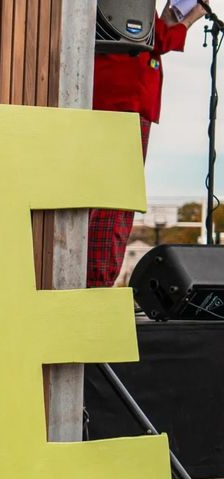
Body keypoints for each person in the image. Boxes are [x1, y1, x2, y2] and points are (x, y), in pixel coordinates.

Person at [89, 1, 209, 287]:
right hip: (123, 102)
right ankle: (97, 282)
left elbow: (144, 32)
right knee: (114, 202)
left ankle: (96, 280)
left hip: (118, 100)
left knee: (110, 200)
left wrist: (169, 18)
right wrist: (192, 16)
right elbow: (155, 39)